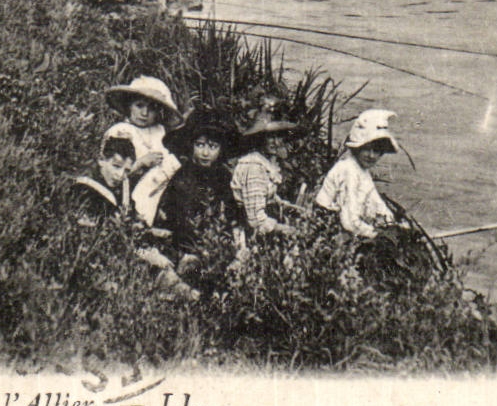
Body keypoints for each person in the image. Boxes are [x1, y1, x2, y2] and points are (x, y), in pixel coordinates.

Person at [155, 117, 239, 280]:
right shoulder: (183, 176)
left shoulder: (224, 176)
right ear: (191, 146)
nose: (205, 153)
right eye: (200, 145)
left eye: (212, 147)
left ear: (221, 149)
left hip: (217, 243)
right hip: (185, 246)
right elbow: (174, 218)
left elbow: (232, 214)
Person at [101, 76, 184, 226]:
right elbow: (110, 172)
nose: (144, 113)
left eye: (151, 108)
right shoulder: (121, 131)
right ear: (129, 106)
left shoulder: (159, 131)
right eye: (139, 106)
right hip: (128, 190)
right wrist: (141, 163)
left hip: (160, 188)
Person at [316, 109, 402, 240]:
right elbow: (349, 221)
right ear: (357, 147)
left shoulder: (362, 171)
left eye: (377, 150)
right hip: (327, 228)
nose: (372, 155)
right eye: (367, 149)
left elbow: (376, 204)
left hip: (343, 226)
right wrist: (378, 235)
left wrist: (392, 224)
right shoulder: (348, 169)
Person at [230, 102, 302, 238]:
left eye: (279, 136)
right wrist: (288, 230)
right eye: (270, 137)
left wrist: (284, 205)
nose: (276, 142)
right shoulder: (253, 167)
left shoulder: (265, 163)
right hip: (248, 233)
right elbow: (256, 220)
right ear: (260, 138)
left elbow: (266, 195)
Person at [67, 134, 136, 227]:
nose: (120, 174)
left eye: (127, 170)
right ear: (101, 160)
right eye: (116, 166)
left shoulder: (124, 186)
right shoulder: (84, 186)